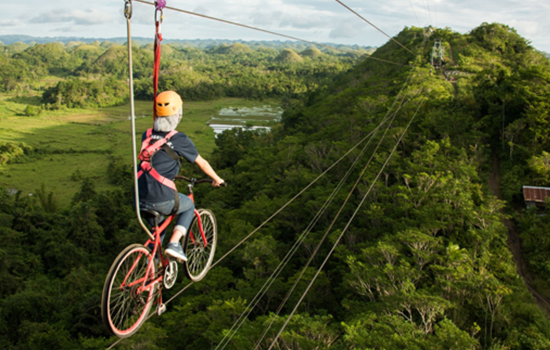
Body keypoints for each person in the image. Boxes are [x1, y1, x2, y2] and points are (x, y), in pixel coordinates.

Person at [137, 90, 224, 262]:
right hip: (160, 198)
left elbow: (158, 158)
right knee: (188, 205)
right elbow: (202, 163)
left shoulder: (146, 135)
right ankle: (175, 244)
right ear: (179, 113)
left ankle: (149, 267)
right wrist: (217, 179)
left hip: (138, 196)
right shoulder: (179, 139)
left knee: (159, 229)